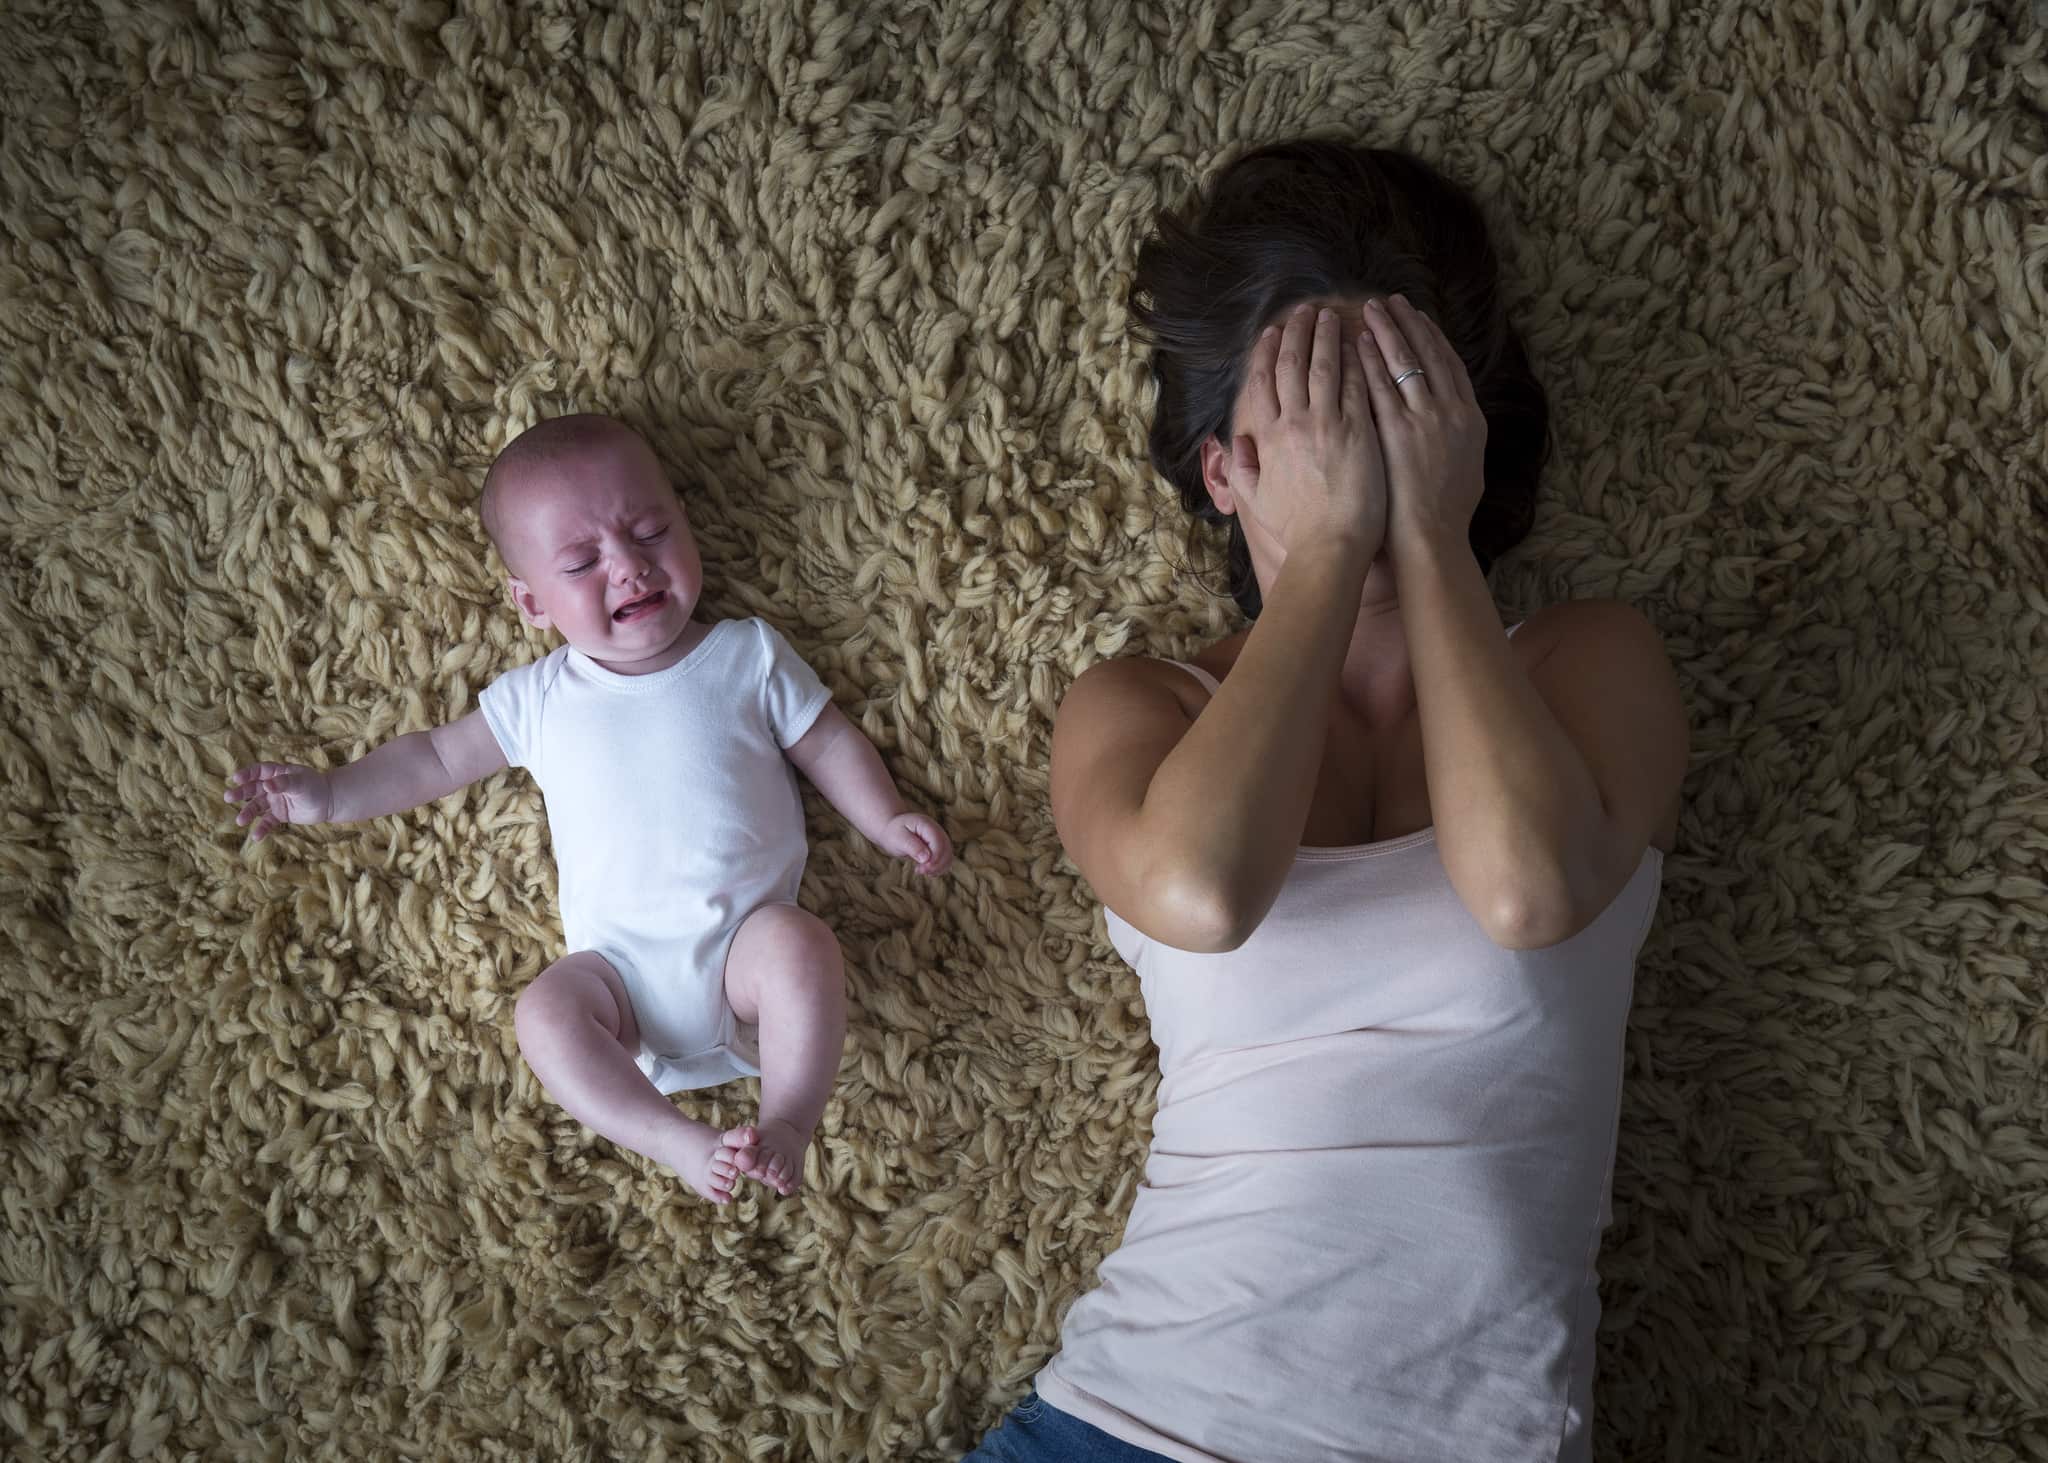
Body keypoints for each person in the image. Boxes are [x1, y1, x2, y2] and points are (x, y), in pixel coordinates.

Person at [966, 143, 1687, 1462]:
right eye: (1306, 425)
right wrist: (1326, 555)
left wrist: (1421, 535)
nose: (1355, 449)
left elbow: (1530, 888)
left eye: (1395, 406)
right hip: (1136, 1424)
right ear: (1222, 469)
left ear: (1463, 426)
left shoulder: (1588, 663)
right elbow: (1202, 888)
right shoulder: (1139, 706)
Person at [225, 414, 953, 1204]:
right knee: (542, 1012)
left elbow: (826, 740)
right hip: (620, 990)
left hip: (747, 958)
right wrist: (332, 794)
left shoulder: (745, 653)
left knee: (803, 946)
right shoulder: (540, 696)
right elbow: (435, 756)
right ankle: (672, 1138)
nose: (630, 567)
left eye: (650, 530)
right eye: (582, 562)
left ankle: (785, 1123)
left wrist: (883, 817)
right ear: (532, 603)